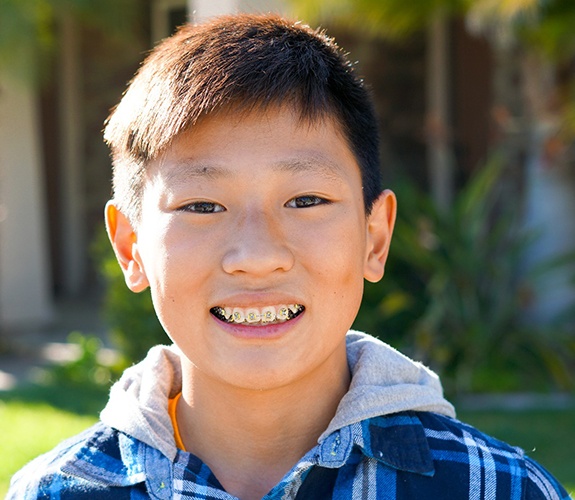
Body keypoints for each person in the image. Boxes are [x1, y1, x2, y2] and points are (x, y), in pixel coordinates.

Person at [8, 13, 570, 500]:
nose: (257, 256)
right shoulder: (56, 491)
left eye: (306, 200)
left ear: (374, 237)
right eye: (203, 205)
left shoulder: (498, 489)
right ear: (130, 247)